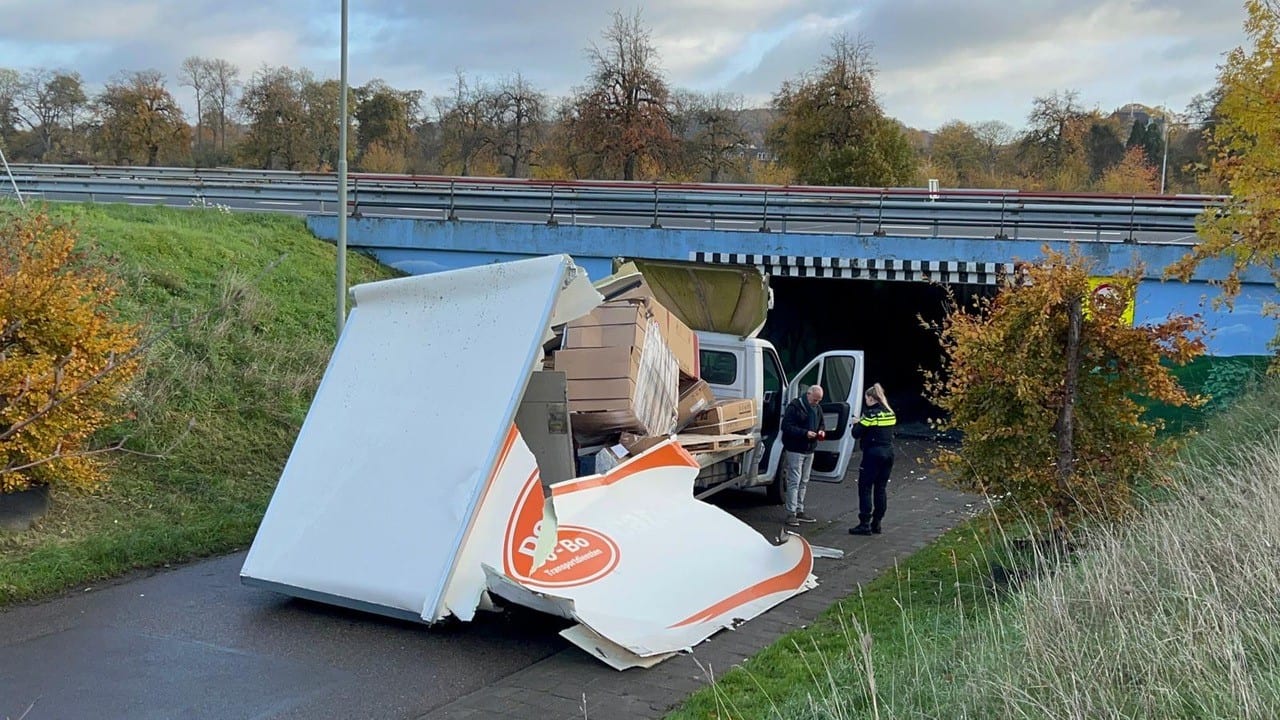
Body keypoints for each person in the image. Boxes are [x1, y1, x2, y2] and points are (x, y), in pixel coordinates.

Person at [849, 382, 896, 536]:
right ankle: (877, 522)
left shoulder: (870, 415)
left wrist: (857, 422)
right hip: (888, 453)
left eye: (866, 398)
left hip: (873, 454)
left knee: (865, 488)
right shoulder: (890, 413)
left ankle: (864, 524)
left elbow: (856, 433)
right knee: (881, 489)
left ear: (870, 398)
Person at [780, 384, 826, 527]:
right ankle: (791, 513)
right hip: (795, 448)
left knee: (804, 480)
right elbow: (786, 427)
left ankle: (799, 509)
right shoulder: (794, 407)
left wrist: (821, 431)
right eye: (815, 399)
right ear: (808, 394)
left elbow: (822, 424)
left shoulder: (817, 408)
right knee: (795, 480)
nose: (816, 403)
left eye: (818, 400)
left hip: (809, 449)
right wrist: (805, 433)